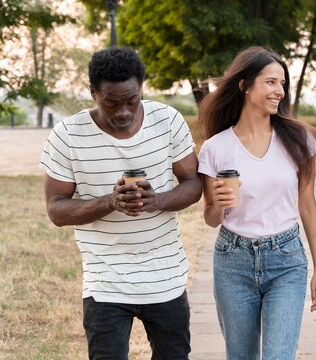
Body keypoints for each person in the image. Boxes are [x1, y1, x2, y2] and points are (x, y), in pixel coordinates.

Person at [40, 46, 202, 360]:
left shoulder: (167, 121)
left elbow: (194, 183)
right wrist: (109, 202)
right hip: (105, 282)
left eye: (132, 100)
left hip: (164, 275)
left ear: (142, 90)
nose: (123, 112)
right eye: (111, 102)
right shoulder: (67, 135)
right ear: (92, 93)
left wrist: (157, 200)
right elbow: (56, 210)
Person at [197, 46, 316, 360]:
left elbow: (307, 206)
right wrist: (218, 203)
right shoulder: (215, 148)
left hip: (286, 261)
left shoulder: (297, 139)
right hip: (233, 262)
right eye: (270, 82)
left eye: (282, 83)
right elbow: (211, 218)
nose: (279, 91)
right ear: (244, 85)